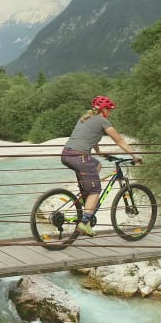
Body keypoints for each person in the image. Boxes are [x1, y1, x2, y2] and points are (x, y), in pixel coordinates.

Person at [61, 95, 141, 237]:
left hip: (66, 154)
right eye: (109, 110)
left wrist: (98, 152)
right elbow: (120, 140)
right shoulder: (102, 120)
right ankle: (84, 223)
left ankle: (87, 197)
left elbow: (90, 136)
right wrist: (136, 156)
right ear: (103, 110)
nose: (109, 113)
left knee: (97, 165)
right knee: (96, 190)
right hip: (80, 157)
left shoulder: (85, 118)